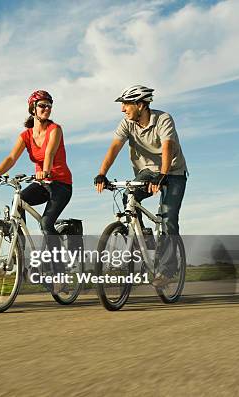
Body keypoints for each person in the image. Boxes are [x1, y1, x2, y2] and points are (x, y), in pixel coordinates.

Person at [94, 85, 188, 287]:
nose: (122, 109)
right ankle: (146, 240)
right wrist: (102, 174)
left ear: (140, 104)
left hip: (173, 171)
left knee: (168, 217)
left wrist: (162, 176)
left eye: (126, 104)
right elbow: (114, 148)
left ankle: (168, 269)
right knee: (129, 198)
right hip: (147, 171)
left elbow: (167, 147)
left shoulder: (163, 119)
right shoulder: (127, 124)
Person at [0, 90, 73, 291]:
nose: (47, 109)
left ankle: (60, 274)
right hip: (42, 183)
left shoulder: (55, 129)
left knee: (46, 223)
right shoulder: (25, 135)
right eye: (42, 105)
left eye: (49, 105)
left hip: (60, 184)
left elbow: (49, 153)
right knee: (20, 199)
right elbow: (11, 158)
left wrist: (46, 170)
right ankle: (22, 252)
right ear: (32, 108)